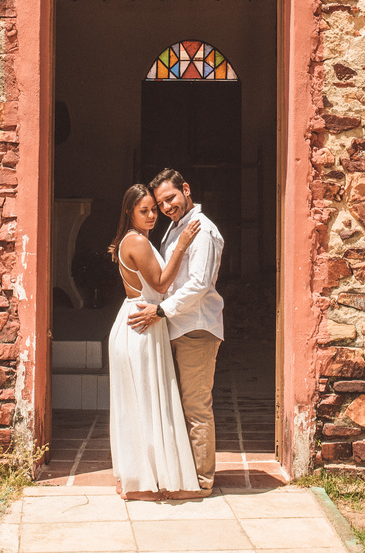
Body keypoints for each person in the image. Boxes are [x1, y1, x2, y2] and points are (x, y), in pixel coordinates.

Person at [127, 169, 225, 496]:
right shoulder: (174, 228)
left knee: (196, 406)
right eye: (160, 203)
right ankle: (185, 474)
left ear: (186, 189)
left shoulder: (203, 231)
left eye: (171, 198)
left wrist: (159, 310)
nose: (166, 206)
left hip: (196, 327)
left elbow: (198, 285)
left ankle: (202, 483)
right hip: (176, 327)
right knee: (179, 405)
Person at [108, 184, 201, 500]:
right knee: (146, 403)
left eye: (152, 209)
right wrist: (183, 245)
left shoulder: (136, 239)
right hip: (142, 324)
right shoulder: (136, 241)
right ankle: (141, 485)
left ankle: (136, 478)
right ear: (129, 212)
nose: (151, 216)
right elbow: (161, 283)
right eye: (143, 210)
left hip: (139, 318)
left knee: (140, 403)